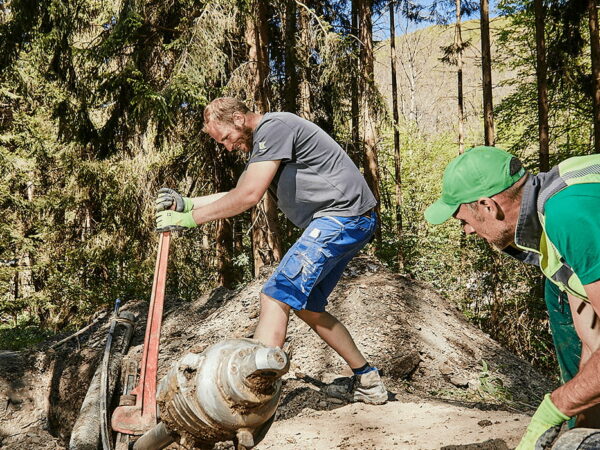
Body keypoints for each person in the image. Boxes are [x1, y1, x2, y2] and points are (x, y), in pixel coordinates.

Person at [154, 97, 387, 404]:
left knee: (276, 292)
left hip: (341, 217)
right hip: (348, 219)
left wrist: (191, 219)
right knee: (307, 306)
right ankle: (368, 381)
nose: (227, 147)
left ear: (239, 118)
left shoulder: (274, 127)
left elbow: (248, 196)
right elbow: (239, 191)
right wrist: (188, 203)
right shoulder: (266, 142)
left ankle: (251, 395)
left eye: (225, 138)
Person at [424, 146, 600, 450]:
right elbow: (593, 342)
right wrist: (577, 427)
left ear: (488, 206)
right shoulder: (550, 214)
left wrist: (553, 408)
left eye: (463, 219)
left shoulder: (569, 216)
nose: (467, 230)